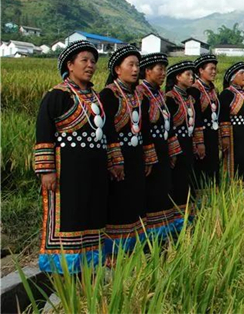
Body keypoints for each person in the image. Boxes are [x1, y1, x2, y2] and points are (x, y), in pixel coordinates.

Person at [35, 41, 109, 273]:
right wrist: (47, 170)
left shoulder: (95, 96)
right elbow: (44, 133)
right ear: (70, 65)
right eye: (84, 61)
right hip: (67, 166)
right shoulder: (56, 96)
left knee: (92, 210)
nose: (90, 65)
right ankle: (64, 265)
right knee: (70, 212)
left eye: (93, 61)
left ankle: (91, 261)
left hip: (94, 167)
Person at [100, 45, 156, 256]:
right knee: (119, 202)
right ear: (117, 69)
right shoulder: (108, 95)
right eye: (130, 65)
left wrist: (149, 156)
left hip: (136, 155)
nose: (135, 69)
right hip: (119, 158)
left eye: (137, 65)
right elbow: (107, 130)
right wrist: (115, 159)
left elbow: (146, 128)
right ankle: (115, 252)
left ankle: (135, 246)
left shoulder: (139, 96)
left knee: (136, 199)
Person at [136, 53, 181, 240]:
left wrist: (173, 150)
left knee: (163, 189)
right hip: (149, 149)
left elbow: (168, 125)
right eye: (159, 69)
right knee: (151, 191)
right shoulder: (140, 93)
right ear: (147, 71)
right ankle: (150, 235)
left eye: (164, 69)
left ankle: (161, 234)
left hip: (162, 149)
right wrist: (149, 154)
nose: (163, 73)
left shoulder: (159, 94)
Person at [165, 61, 204, 229]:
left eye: (192, 74)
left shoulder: (191, 98)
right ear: (177, 77)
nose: (191, 78)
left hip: (188, 143)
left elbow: (196, 123)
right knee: (177, 180)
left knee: (188, 178)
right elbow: (168, 126)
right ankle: (175, 221)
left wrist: (199, 143)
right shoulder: (169, 98)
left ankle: (188, 218)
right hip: (176, 144)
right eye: (187, 74)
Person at [188, 54, 221, 188]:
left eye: (215, 69)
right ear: (201, 70)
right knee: (201, 167)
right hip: (201, 135)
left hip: (212, 133)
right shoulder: (194, 90)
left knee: (213, 166)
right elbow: (196, 118)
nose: (214, 72)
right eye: (211, 69)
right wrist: (199, 141)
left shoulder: (214, 90)